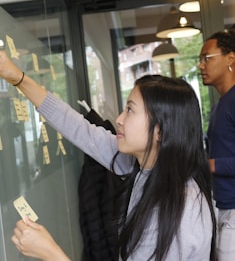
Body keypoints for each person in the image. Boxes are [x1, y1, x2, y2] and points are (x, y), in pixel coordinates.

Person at [0, 50, 217, 260]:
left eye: (130, 110)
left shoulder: (179, 208)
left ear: (159, 130)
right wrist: (17, 77)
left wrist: (50, 253)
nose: (119, 119)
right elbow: (77, 127)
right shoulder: (141, 165)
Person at [199, 29, 235, 261]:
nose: (201, 66)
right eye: (199, 60)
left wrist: (211, 165)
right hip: (224, 207)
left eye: (207, 58)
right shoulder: (222, 103)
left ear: (231, 58)